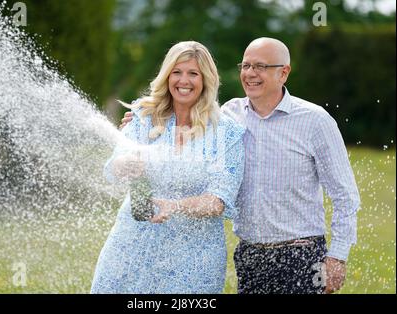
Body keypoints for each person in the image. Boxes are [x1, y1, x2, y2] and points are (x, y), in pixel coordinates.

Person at [120, 37, 361, 294]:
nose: (250, 74)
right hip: (249, 256)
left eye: (260, 67)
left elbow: (344, 196)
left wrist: (337, 257)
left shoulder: (315, 121)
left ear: (284, 72)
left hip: (302, 255)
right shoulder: (228, 116)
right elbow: (187, 118)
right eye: (245, 66)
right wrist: (140, 121)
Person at [90, 41, 245, 293]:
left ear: (206, 79)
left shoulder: (225, 133)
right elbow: (112, 167)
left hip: (194, 257)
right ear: (167, 76)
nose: (184, 80)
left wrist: (174, 206)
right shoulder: (143, 116)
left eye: (193, 73)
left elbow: (219, 201)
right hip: (131, 246)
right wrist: (124, 164)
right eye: (177, 72)